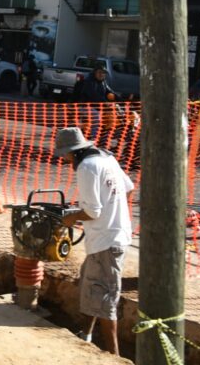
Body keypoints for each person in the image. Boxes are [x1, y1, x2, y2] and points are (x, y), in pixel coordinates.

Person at [55, 127, 133, 356]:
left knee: (106, 297)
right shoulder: (107, 158)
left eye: (66, 155)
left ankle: (114, 355)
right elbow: (129, 188)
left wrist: (71, 218)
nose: (66, 159)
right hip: (114, 235)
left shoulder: (87, 167)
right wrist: (115, 211)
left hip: (106, 240)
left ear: (73, 152)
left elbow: (92, 211)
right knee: (90, 287)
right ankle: (85, 335)